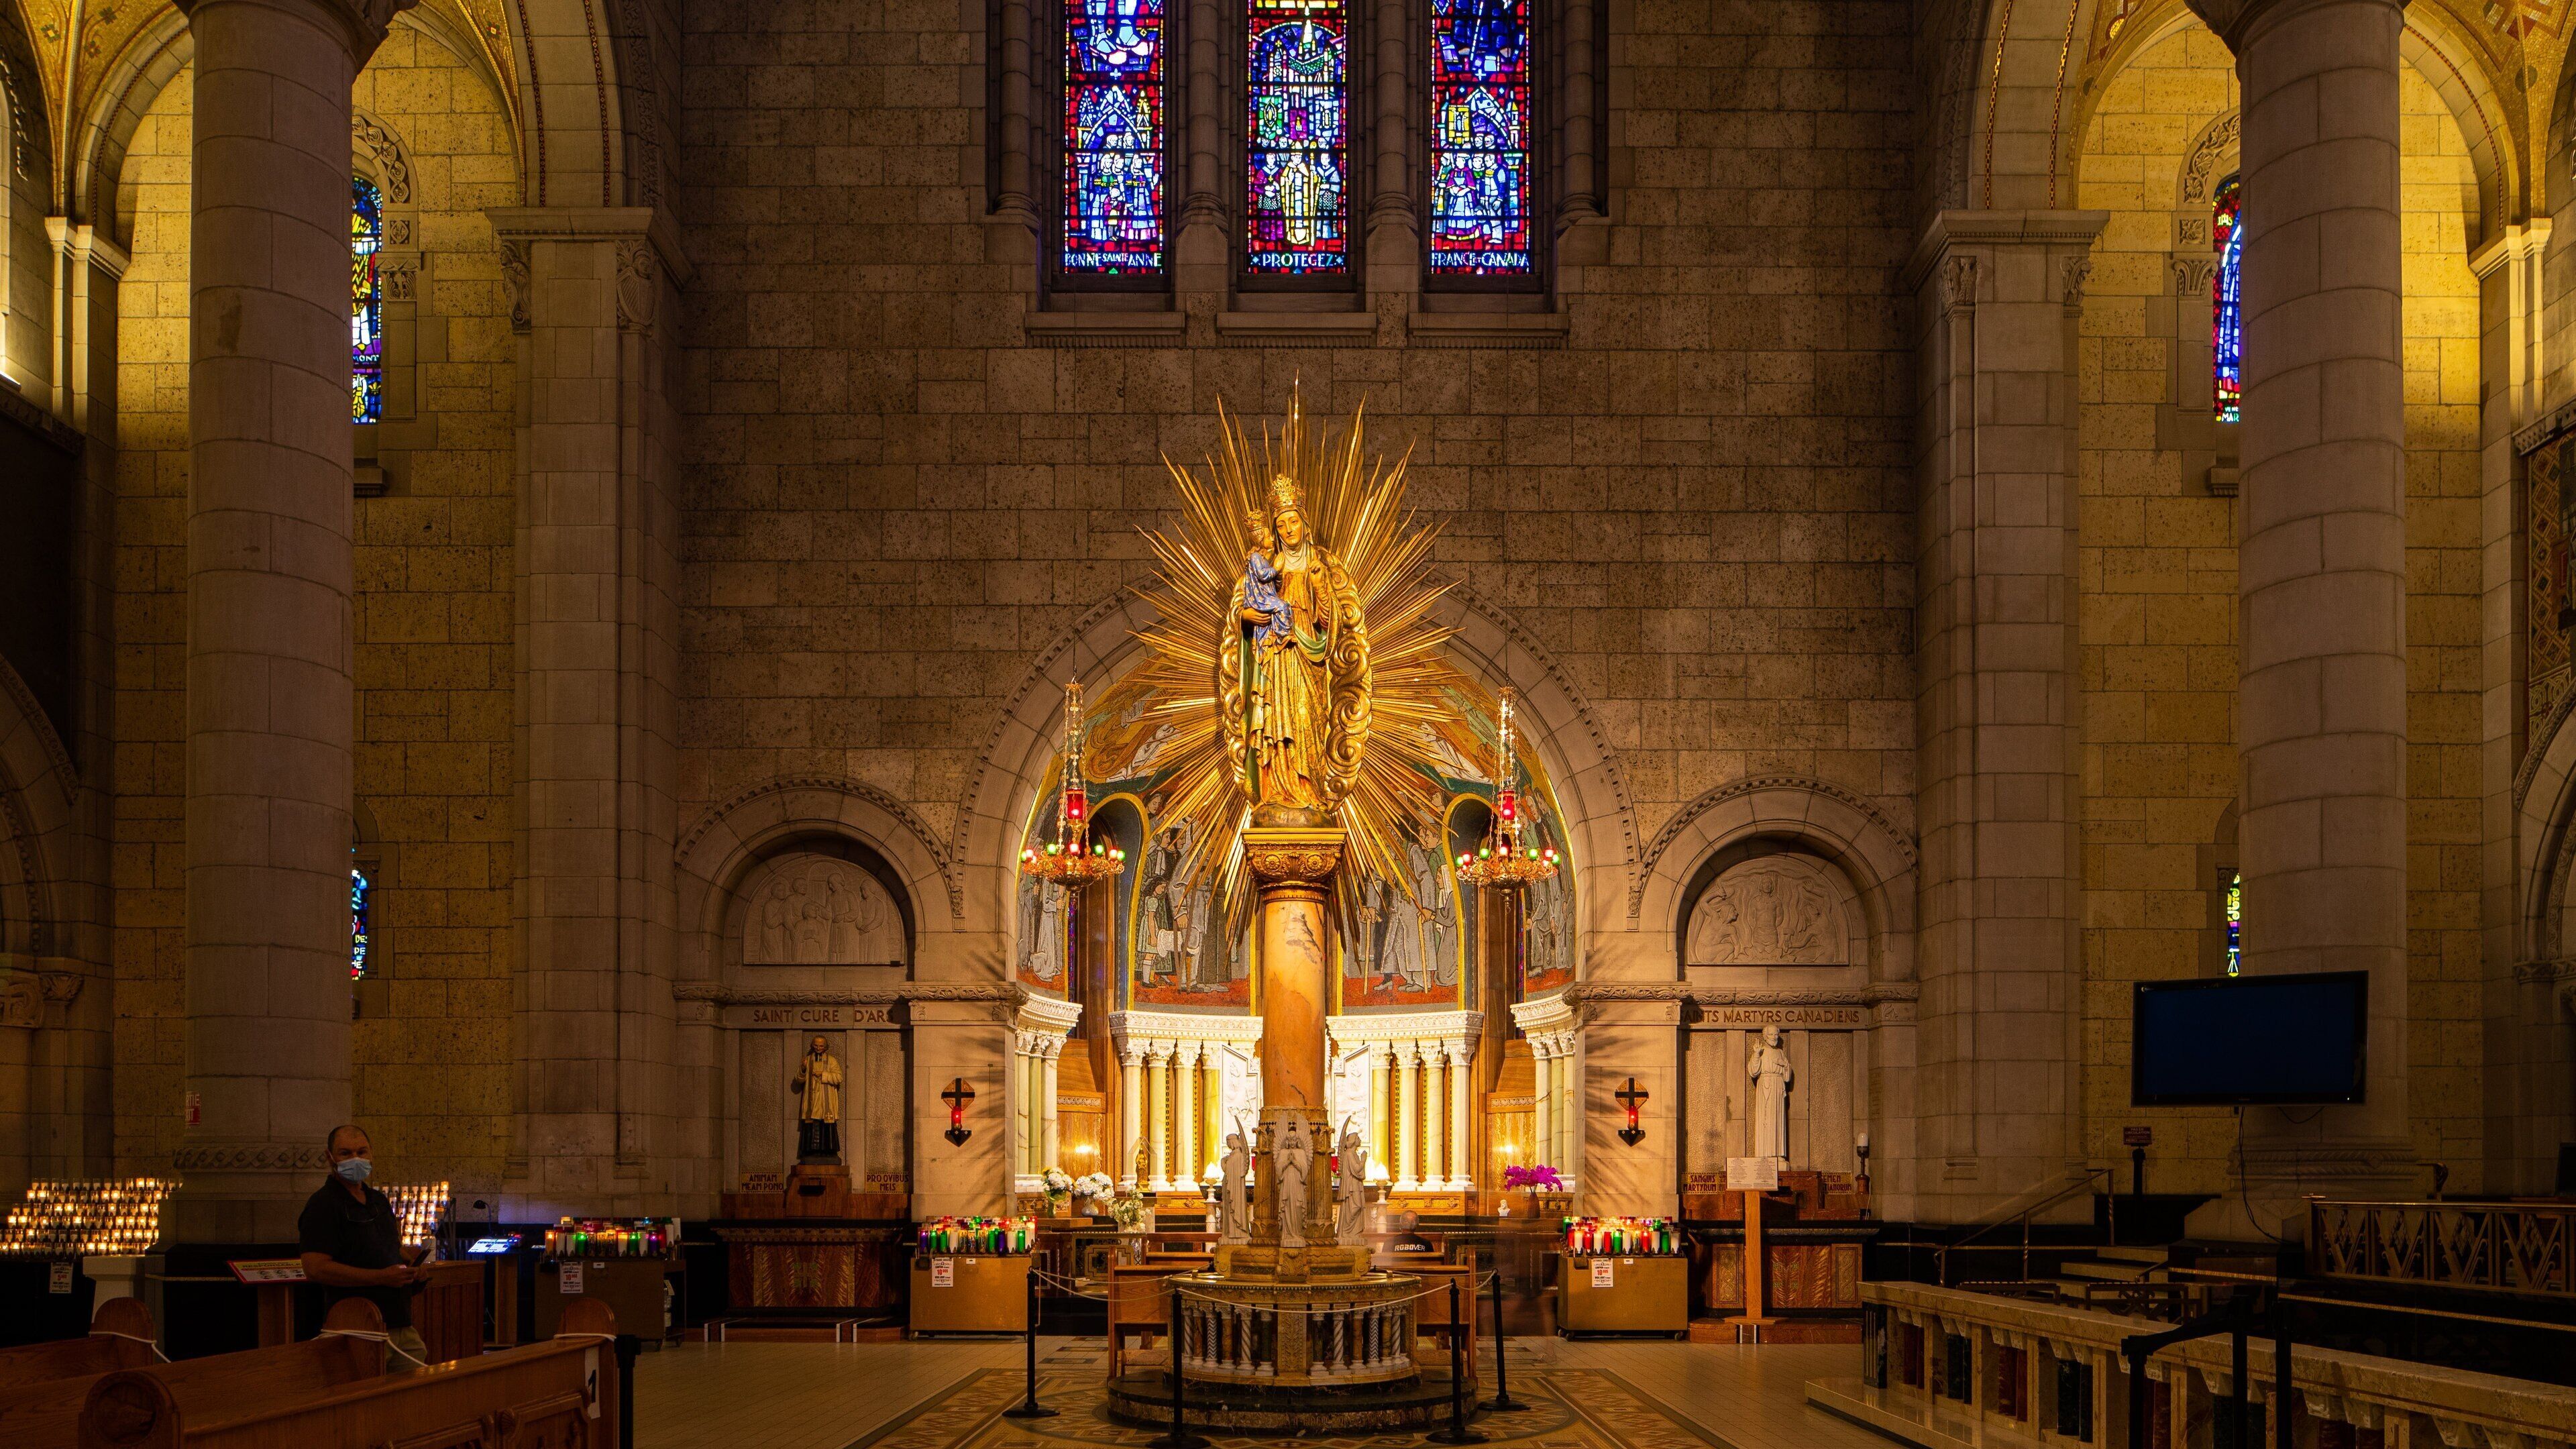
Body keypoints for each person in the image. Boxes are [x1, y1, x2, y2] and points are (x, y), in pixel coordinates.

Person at [298, 1125, 429, 1371]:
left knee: (414, 1399)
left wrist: (412, 1269)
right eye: (346, 1153)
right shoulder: (323, 1205)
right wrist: (380, 1277)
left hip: (399, 1322)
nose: (355, 1159)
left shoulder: (377, 1201)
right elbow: (315, 1268)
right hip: (358, 1326)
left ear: (371, 1154)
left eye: (362, 1151)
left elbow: (392, 1248)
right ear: (330, 1158)